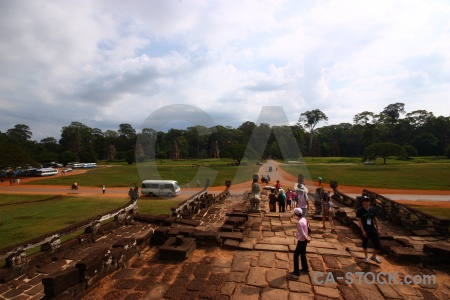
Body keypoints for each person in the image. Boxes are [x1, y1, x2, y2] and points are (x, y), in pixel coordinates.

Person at [356, 196, 382, 263]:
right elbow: (359, 221)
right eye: (365, 201)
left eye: (367, 201)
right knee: (365, 243)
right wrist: (362, 230)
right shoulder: (360, 210)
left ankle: (373, 256)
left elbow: (375, 219)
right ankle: (366, 257)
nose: (366, 202)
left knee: (378, 244)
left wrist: (377, 228)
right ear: (362, 203)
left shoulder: (372, 209)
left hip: (372, 228)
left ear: (369, 202)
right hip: (365, 228)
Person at [290, 207, 310, 277]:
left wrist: (306, 238)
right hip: (304, 240)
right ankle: (305, 268)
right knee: (303, 253)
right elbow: (308, 228)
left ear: (296, 214)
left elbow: (301, 232)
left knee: (296, 255)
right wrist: (307, 237)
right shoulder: (304, 219)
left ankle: (296, 272)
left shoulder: (299, 222)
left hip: (302, 240)